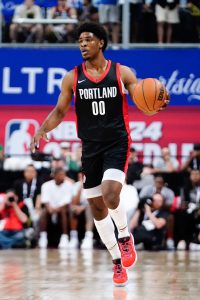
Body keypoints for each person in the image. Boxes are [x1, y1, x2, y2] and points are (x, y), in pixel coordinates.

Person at [31, 22, 169, 286]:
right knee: (96, 207)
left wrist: (155, 103)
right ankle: (117, 261)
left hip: (117, 142)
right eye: (80, 40)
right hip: (90, 147)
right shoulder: (73, 77)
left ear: (101, 43)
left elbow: (142, 95)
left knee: (110, 193)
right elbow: (60, 111)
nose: (83, 44)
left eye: (88, 39)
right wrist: (42, 128)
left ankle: (125, 235)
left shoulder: (121, 72)